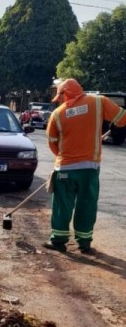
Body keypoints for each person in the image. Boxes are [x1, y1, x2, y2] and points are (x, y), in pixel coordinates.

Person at [43, 78, 126, 254]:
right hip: (90, 169)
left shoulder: (57, 114)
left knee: (62, 205)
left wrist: (63, 156)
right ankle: (84, 242)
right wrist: (114, 125)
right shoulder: (99, 102)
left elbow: (52, 142)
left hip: (64, 168)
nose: (60, 100)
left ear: (66, 93)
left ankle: (58, 240)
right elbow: (122, 119)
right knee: (87, 204)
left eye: (60, 96)